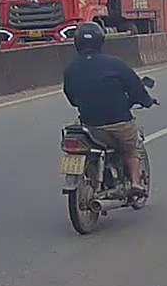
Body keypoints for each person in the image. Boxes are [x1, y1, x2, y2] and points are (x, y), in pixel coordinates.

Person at [62, 22, 153, 195]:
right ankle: (135, 183)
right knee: (132, 147)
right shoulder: (116, 64)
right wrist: (147, 101)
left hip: (89, 126)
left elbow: (72, 98)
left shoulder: (70, 69)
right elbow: (136, 89)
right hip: (119, 123)